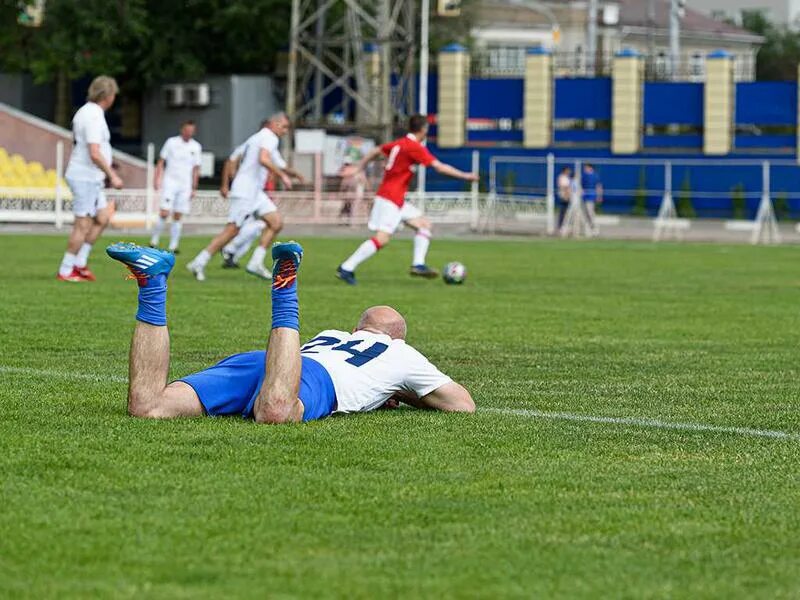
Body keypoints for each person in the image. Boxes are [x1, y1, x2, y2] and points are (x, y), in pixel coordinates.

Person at [105, 240, 475, 422]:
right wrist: (400, 390)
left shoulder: (334, 334)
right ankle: (285, 288)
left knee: (148, 408)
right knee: (276, 412)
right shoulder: (401, 354)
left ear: (356, 329)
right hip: (314, 379)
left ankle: (152, 282)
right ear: (398, 338)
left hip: (267, 362)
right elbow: (462, 405)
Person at [336, 114, 478, 285]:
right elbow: (439, 167)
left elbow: (376, 150)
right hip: (390, 198)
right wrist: (465, 176)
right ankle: (346, 267)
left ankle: (418, 264)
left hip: (395, 198)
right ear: (423, 129)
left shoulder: (399, 143)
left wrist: (359, 167)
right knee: (382, 238)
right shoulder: (413, 146)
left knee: (423, 224)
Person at [186, 113, 303, 281]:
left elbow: (233, 159)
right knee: (232, 230)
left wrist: (295, 174)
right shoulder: (269, 138)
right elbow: (264, 160)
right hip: (246, 191)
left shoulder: (256, 138)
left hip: (255, 192)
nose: (285, 131)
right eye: (284, 127)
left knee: (276, 223)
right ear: (274, 124)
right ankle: (199, 261)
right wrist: (282, 176)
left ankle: (255, 262)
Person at [56, 75, 123, 282]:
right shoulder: (93, 116)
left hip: (91, 176)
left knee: (102, 217)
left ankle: (80, 263)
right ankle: (66, 270)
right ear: (108, 95)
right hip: (85, 176)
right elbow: (94, 152)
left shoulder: (86, 112)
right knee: (82, 225)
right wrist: (113, 175)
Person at [149, 120, 202, 253]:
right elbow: (161, 161)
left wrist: (194, 187)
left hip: (185, 185)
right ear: (182, 130)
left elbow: (196, 168)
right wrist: (157, 179)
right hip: (170, 182)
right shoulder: (171, 142)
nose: (188, 133)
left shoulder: (196, 147)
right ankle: (154, 241)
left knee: (178, 214)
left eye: (191, 131)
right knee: (164, 212)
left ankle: (173, 245)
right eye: (187, 130)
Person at [581, 163, 603, 236]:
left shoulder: (595, 176)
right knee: (585, 214)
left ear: (590, 168)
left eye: (586, 168)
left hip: (591, 196)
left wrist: (599, 196)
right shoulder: (584, 176)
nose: (585, 169)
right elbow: (581, 186)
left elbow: (598, 186)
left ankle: (595, 229)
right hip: (584, 197)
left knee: (590, 213)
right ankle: (588, 230)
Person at [556, 166, 573, 232]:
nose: (569, 172)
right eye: (568, 170)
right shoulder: (563, 177)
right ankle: (561, 226)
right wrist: (566, 196)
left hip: (567, 196)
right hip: (564, 197)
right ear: (565, 171)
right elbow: (564, 187)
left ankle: (564, 226)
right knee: (563, 212)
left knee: (566, 212)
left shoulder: (566, 177)